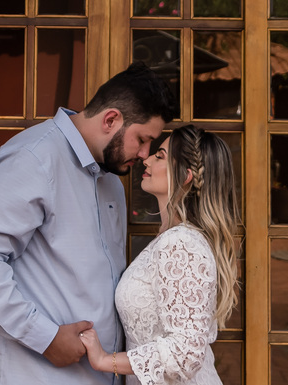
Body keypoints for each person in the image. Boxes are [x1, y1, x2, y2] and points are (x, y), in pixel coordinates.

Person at [0, 62, 178, 385]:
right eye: (142, 139)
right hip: (29, 375)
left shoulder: (112, 181)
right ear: (111, 119)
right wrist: (44, 337)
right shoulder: (33, 159)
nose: (145, 153)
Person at [78, 124, 240, 385]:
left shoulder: (181, 243)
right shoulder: (172, 238)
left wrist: (105, 360)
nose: (147, 159)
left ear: (185, 176)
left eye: (160, 156)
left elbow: (186, 354)